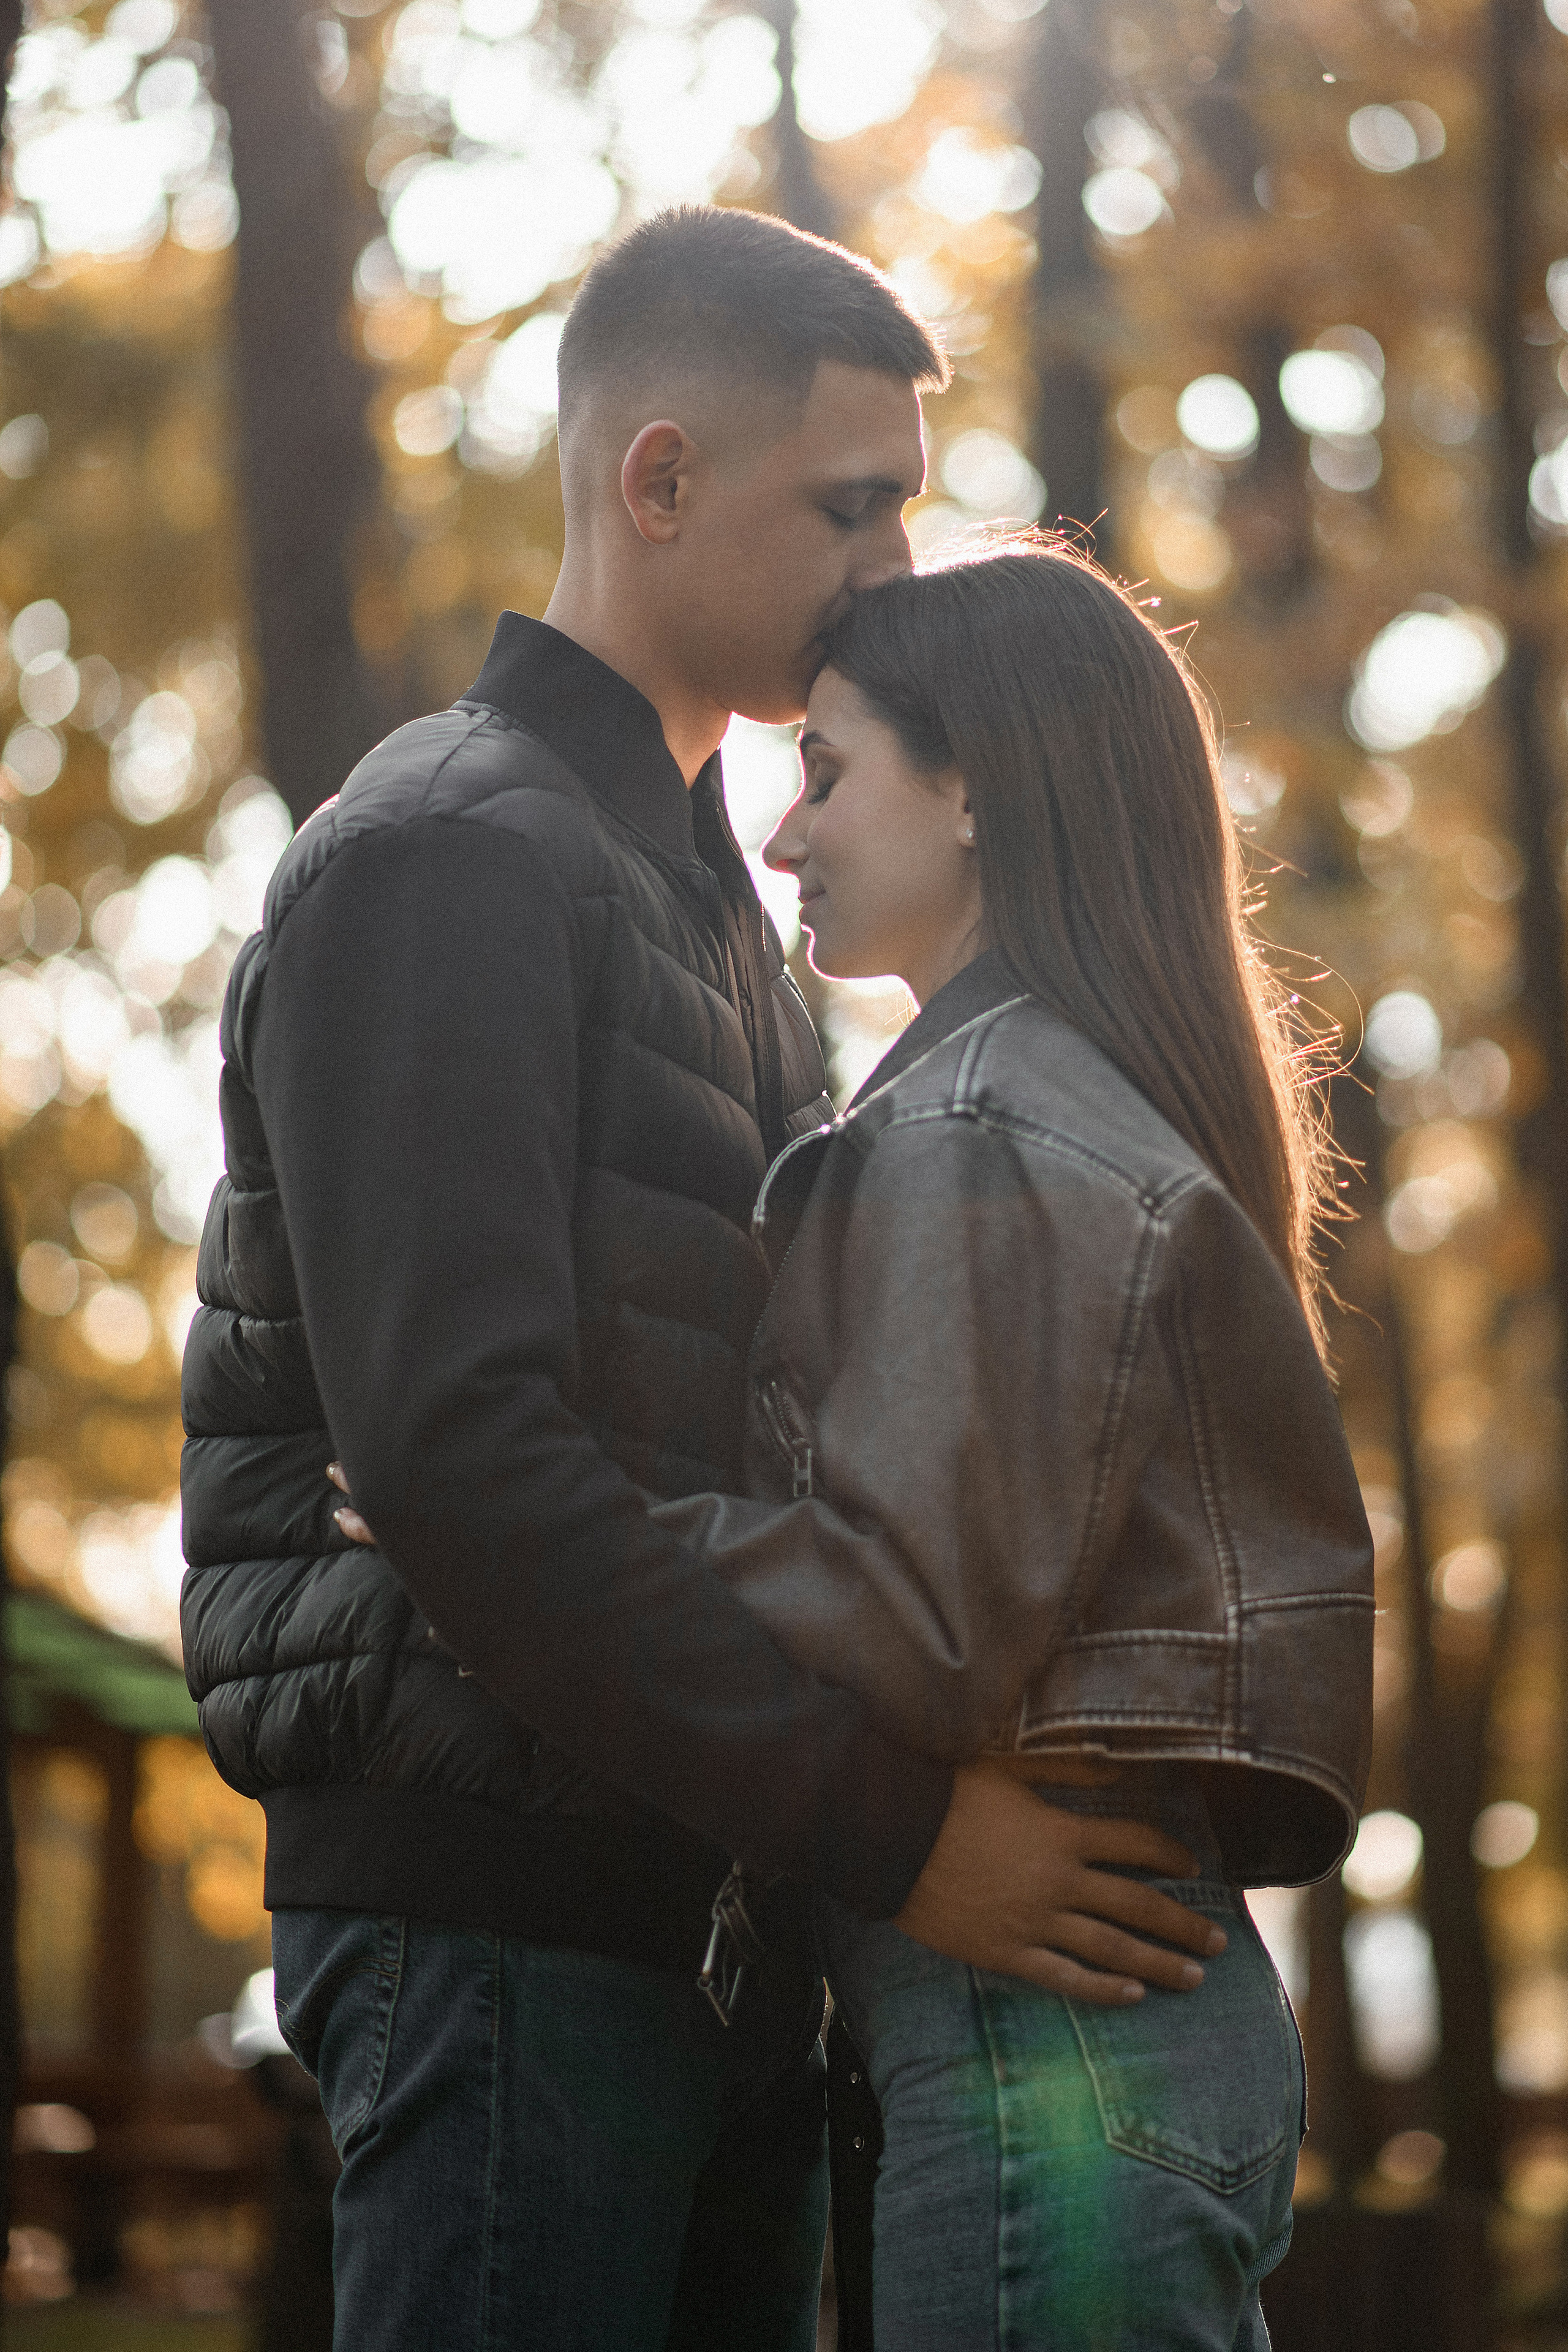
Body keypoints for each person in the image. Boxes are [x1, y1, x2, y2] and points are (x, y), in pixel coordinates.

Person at [179, 210, 1224, 2352]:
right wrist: (904, 1831)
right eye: (852, 508)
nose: (893, 573)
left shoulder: (723, 917)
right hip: (503, 1925)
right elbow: (461, 1459)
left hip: (709, 1908)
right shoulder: (447, 855)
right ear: (658, 482)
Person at [647, 545, 1377, 2348]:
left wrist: (570, 1526)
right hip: (1106, 2041)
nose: (784, 837)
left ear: (972, 781)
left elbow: (911, 1624)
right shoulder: (1066, 1098)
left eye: (827, 769)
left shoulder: (982, 1125)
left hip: (1042, 2047)